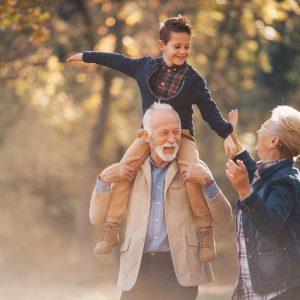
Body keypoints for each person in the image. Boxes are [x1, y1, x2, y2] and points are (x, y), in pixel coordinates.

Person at [68, 15, 236, 261]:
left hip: (183, 136)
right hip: (148, 136)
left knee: (192, 175)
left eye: (187, 46)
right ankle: (112, 227)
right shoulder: (144, 67)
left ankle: (204, 233)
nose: (183, 51)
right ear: (162, 46)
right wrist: (86, 55)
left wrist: (227, 133)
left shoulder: (194, 80)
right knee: (125, 170)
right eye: (177, 46)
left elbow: (209, 110)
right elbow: (116, 60)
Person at [89, 103, 232, 300]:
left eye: (176, 132)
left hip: (179, 270)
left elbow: (225, 219)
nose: (172, 139)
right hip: (137, 268)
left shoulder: (194, 167)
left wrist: (209, 183)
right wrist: (103, 179)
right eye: (164, 133)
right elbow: (96, 217)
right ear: (147, 136)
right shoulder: (130, 169)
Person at [225, 106, 300, 299]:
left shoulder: (285, 180)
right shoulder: (267, 173)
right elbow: (252, 167)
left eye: (263, 128)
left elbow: (271, 224)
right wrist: (233, 138)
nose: (258, 131)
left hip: (278, 291)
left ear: (274, 141)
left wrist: (245, 191)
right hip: (258, 288)